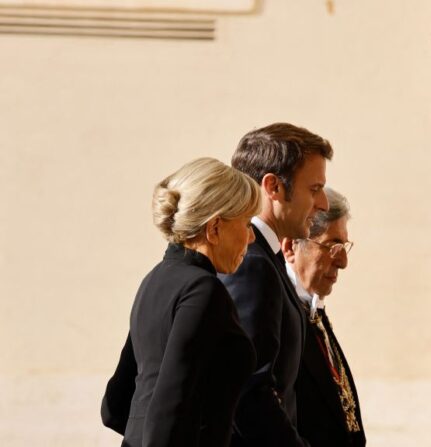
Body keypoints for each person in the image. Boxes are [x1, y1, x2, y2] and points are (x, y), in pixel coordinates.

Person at [101, 157, 260, 447]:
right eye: (247, 223)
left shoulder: (154, 280)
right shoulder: (203, 290)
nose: (250, 238)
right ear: (214, 229)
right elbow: (170, 407)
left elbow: (115, 406)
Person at [221, 123, 332, 446]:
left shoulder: (263, 260)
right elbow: (249, 393)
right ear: (273, 187)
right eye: (314, 189)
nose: (323, 203)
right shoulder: (251, 265)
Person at [281, 187, 365, 447]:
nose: (342, 262)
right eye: (331, 245)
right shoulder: (278, 311)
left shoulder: (313, 309)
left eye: (344, 246)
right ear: (291, 248)